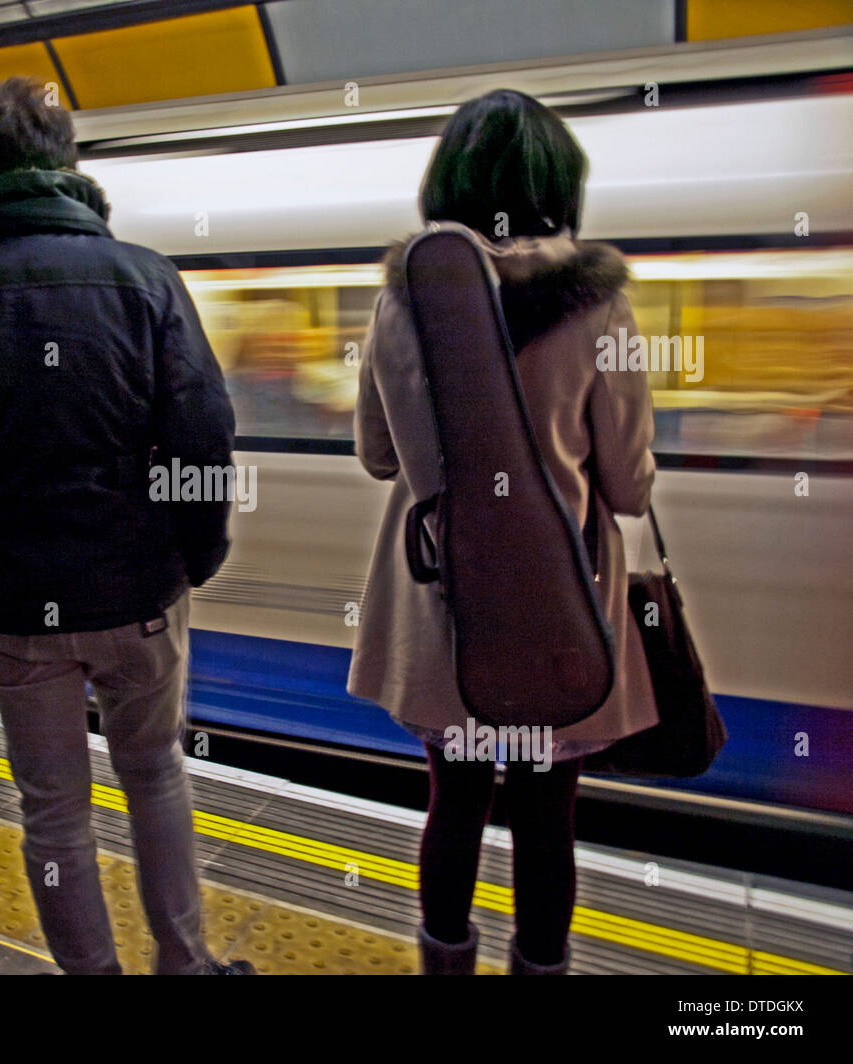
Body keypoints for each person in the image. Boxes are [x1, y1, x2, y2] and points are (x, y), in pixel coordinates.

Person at [0, 77, 251, 975]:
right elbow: (203, 433)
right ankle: (186, 962)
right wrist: (193, 559)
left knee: (53, 810)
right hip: (141, 596)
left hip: (12, 607)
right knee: (156, 775)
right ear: (70, 168)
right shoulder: (144, 280)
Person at [348, 88, 658, 975]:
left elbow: (377, 456)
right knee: (545, 814)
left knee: (454, 802)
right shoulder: (602, 308)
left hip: (446, 606)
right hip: (560, 611)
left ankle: (443, 964)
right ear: (560, 183)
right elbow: (630, 489)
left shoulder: (402, 303)